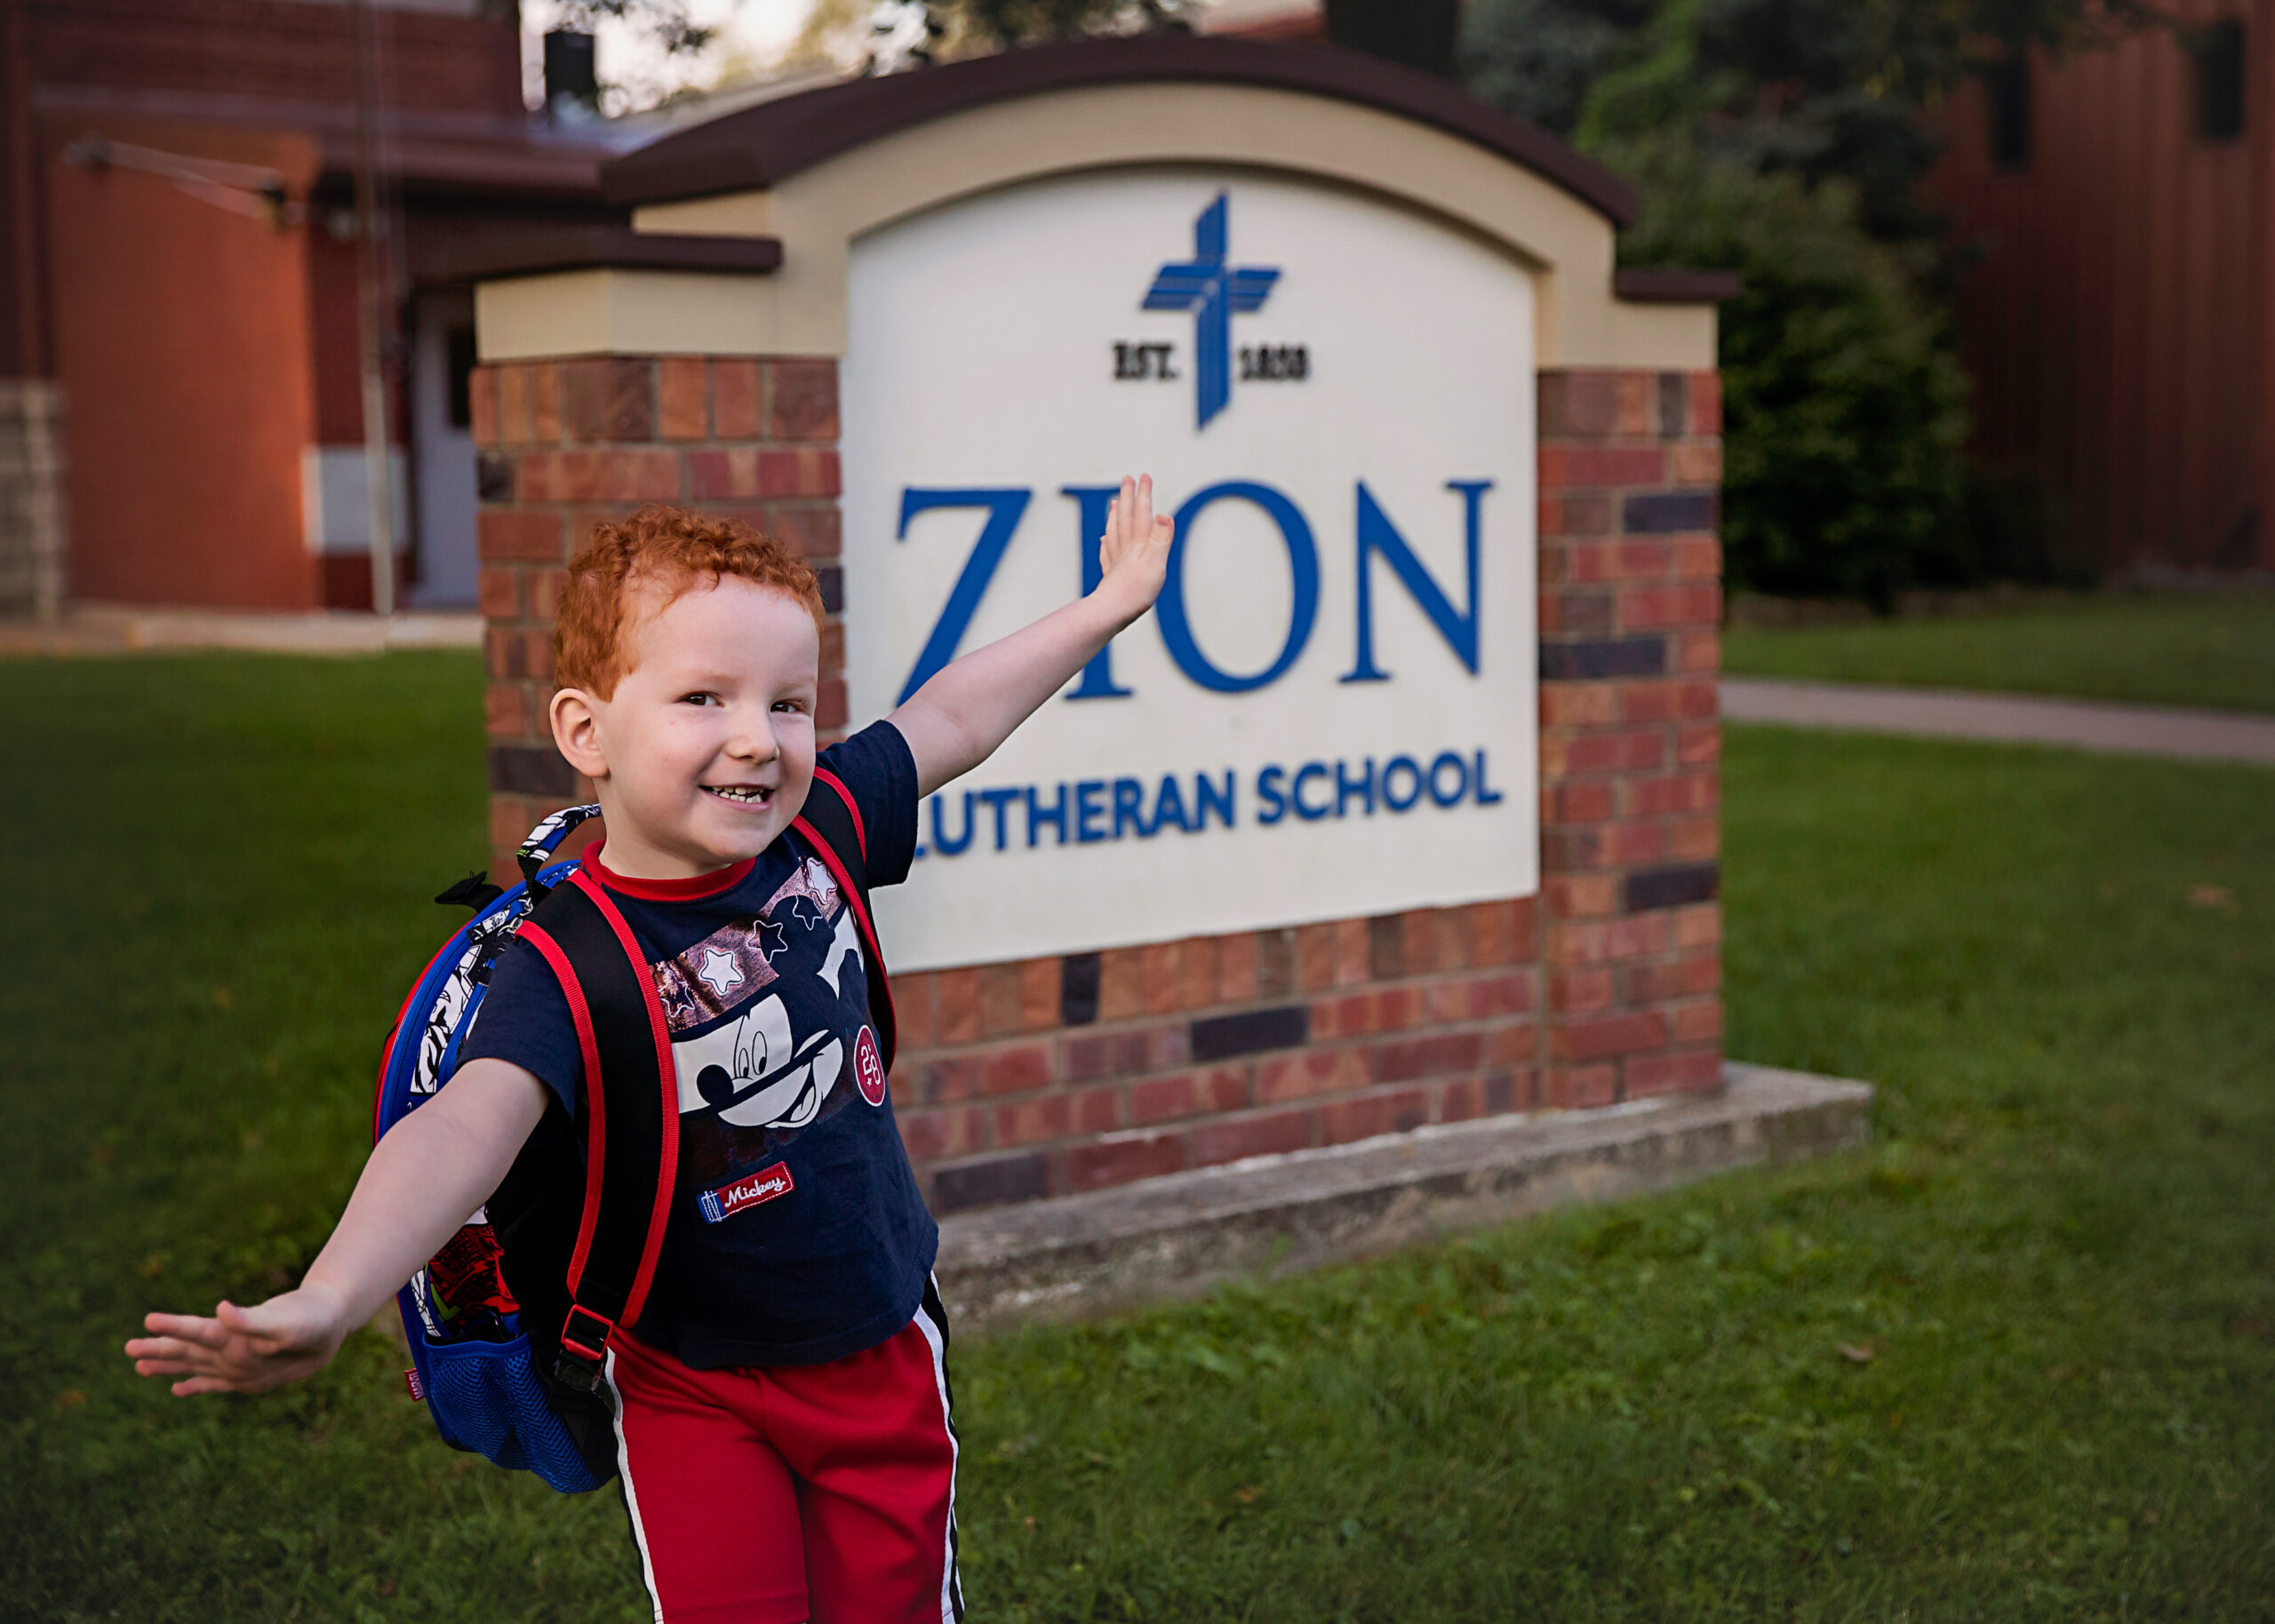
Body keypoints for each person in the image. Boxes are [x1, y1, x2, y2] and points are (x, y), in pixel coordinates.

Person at [126, 479, 1176, 1623]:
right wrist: (331, 1296)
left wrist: (1110, 605)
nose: (755, 740)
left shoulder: (822, 825)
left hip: (875, 1347)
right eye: (701, 698)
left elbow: (955, 716)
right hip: (687, 1379)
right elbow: (463, 1125)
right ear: (588, 732)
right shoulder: (564, 959)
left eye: (787, 703)